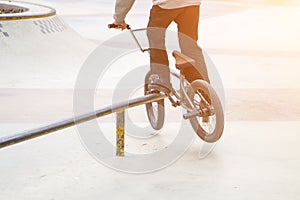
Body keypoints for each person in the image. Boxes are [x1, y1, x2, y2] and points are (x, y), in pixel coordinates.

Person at [112, 0, 210, 93]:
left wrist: (119, 19)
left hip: (166, 5)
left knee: (155, 38)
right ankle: (203, 88)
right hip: (191, 4)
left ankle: (161, 79)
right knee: (190, 45)